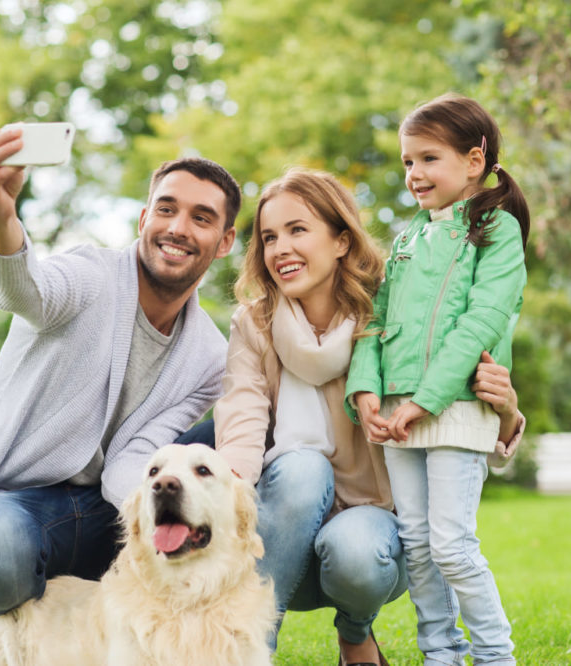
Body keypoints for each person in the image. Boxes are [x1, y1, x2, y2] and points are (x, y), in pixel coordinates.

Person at [0, 124, 240, 622]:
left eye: (202, 218)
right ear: (143, 218)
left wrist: (164, 506)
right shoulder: (90, 275)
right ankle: (32, 627)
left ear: (224, 242)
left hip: (108, 515)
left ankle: (176, 605)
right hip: (17, 505)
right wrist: (1, 214)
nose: (178, 228)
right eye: (166, 208)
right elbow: (26, 291)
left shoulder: (207, 359)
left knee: (233, 429)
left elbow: (137, 454)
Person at [206, 168, 524, 666]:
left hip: (371, 539)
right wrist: (229, 504)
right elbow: (241, 416)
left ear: (339, 240)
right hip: (281, 533)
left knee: (356, 552)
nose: (280, 248)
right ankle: (249, 648)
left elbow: (459, 412)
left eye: (297, 230)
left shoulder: (393, 306)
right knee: (304, 467)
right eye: (269, 237)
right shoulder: (255, 322)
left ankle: (355, 633)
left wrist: (506, 410)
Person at [346, 93, 530, 665]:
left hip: (455, 408)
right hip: (399, 412)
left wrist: (426, 400)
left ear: (474, 161)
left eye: (428, 159)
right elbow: (373, 324)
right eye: (407, 162)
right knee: (419, 547)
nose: (414, 174)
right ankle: (440, 653)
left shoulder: (497, 232)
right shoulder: (407, 239)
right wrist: (367, 392)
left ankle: (496, 655)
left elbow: (482, 320)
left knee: (452, 544)